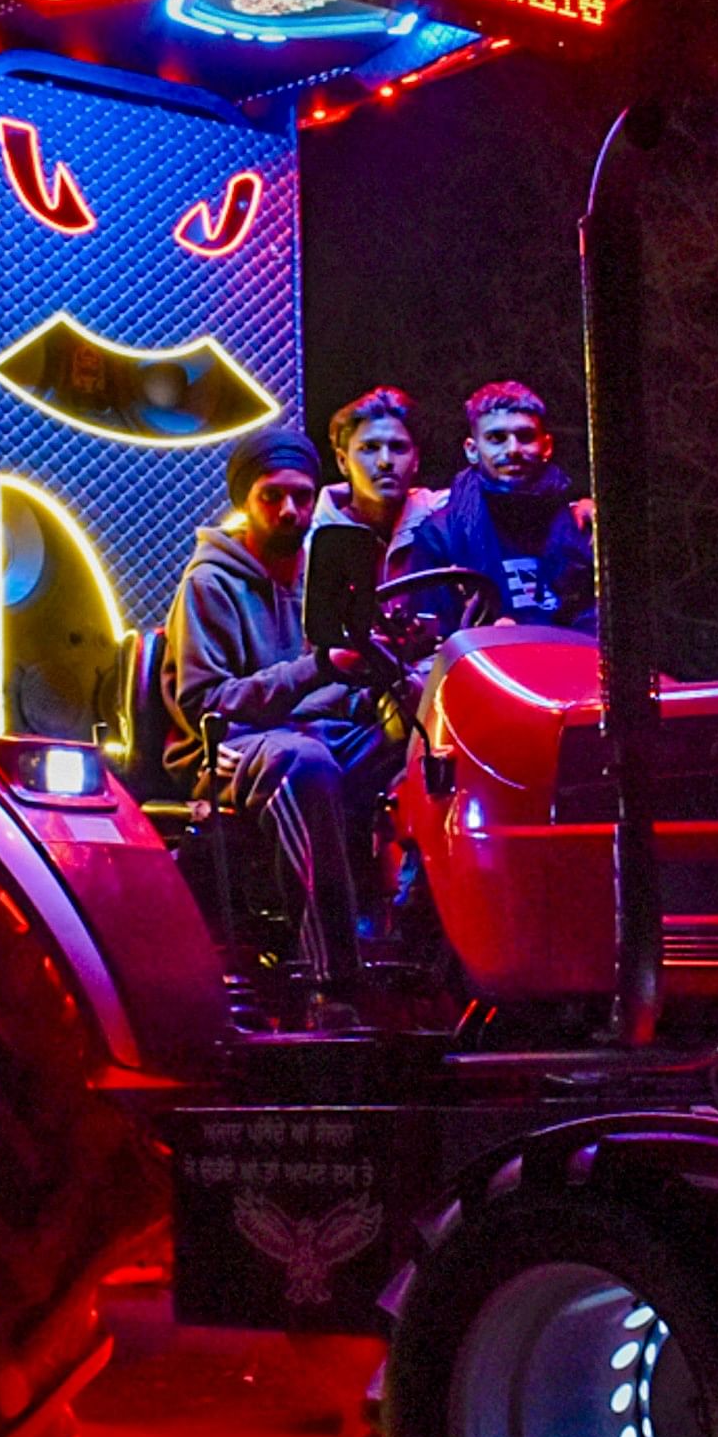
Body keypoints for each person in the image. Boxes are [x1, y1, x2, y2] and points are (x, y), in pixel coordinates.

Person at [166, 428, 396, 1000]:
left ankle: (419, 940)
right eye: (272, 496)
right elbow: (207, 704)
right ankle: (334, 974)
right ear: (245, 500)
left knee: (429, 742)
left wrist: (385, 672)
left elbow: (341, 683)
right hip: (231, 744)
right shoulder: (210, 584)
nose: (289, 511)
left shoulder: (327, 576)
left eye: (300, 495)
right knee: (305, 763)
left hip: (316, 730)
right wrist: (318, 667)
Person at [388, 379, 595, 635]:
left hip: (576, 668)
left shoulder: (583, 526)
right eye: (496, 438)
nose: (512, 449)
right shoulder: (441, 537)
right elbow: (431, 643)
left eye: (525, 436)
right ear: (472, 450)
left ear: (547, 446)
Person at [306, 386, 442, 558]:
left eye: (398, 447)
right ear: (342, 461)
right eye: (369, 448)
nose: (385, 461)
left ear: (416, 459)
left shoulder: (446, 515)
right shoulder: (310, 542)